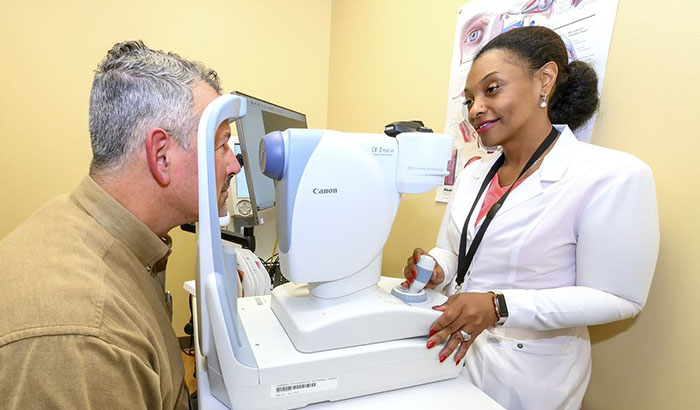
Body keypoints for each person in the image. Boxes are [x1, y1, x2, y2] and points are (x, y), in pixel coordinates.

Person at [403, 26, 658, 410]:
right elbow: (456, 253)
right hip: (454, 354)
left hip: (530, 377)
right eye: (469, 99)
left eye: (492, 89)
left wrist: (500, 306)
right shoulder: (475, 174)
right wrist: (434, 267)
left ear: (545, 80)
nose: (475, 110)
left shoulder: (612, 175)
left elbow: (618, 297)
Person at [0, 40, 241, 409]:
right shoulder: (86, 339)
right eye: (221, 144)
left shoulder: (98, 231)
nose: (234, 166)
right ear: (161, 155)